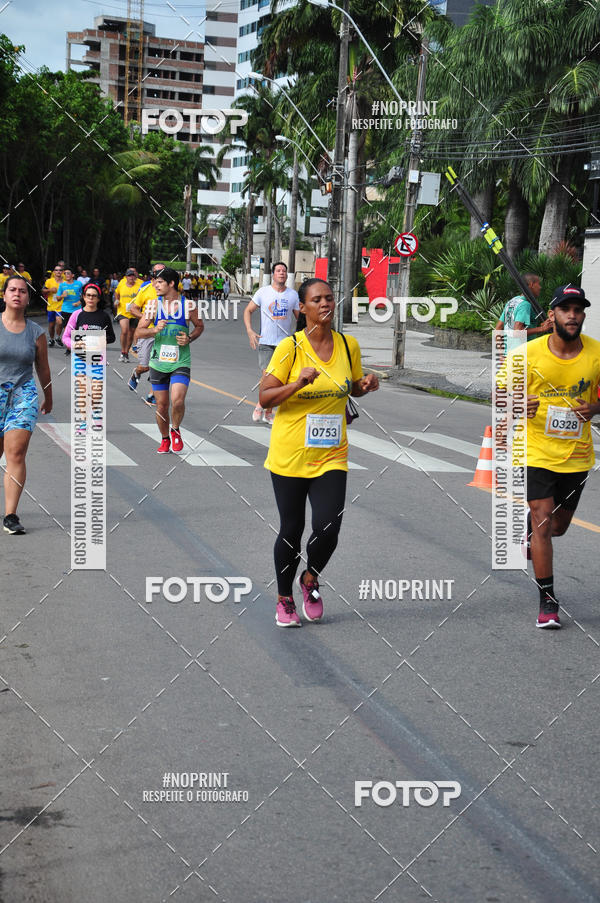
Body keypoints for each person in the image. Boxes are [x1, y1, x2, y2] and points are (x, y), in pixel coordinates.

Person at [260, 277, 379, 627]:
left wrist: (367, 384)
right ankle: (284, 599)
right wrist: (297, 383)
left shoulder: (347, 344)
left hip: (331, 453)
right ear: (303, 308)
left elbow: (352, 385)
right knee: (292, 529)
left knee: (328, 527)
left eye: (329, 298)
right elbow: (264, 398)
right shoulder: (290, 348)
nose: (326, 304)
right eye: (317, 300)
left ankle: (310, 578)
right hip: (291, 454)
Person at [506, 285, 600, 629]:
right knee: (543, 519)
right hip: (537, 451)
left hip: (576, 455)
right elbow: (501, 395)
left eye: (578, 310)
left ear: (583, 316)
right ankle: (548, 600)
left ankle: (531, 538)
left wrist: (595, 407)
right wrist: (519, 403)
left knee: (557, 527)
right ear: (553, 315)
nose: (572, 315)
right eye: (566, 309)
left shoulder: (596, 354)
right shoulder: (526, 354)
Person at [0, 275, 52, 534]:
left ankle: (10, 515)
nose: (17, 294)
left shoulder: (36, 331)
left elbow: (42, 366)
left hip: (22, 395)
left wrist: (48, 396)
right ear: (4, 295)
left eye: (22, 291)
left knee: (16, 453)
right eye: (12, 290)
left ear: (28, 298)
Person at [136, 267, 204, 453]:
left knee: (178, 400)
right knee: (162, 405)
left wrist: (189, 338)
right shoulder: (152, 306)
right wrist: (153, 330)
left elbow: (199, 326)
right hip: (158, 362)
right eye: (155, 282)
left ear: (171, 283)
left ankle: (175, 430)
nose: (155, 285)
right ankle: (165, 439)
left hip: (181, 361)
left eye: (159, 282)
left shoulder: (187, 305)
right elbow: (139, 332)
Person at [244, 261, 300, 425]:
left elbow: (300, 317)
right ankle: (261, 405)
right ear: (273, 274)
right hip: (266, 342)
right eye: (278, 270)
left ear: (286, 275)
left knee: (279, 379)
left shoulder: (293, 295)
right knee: (267, 377)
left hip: (285, 344)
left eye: (284, 271)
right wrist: (250, 330)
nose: (281, 273)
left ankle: (267, 411)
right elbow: (248, 310)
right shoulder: (263, 292)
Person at [127, 263, 165, 405]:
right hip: (147, 332)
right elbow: (133, 308)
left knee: (160, 365)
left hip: (164, 334)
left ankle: (152, 394)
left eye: (162, 273)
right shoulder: (146, 289)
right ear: (152, 275)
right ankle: (137, 373)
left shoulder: (171, 290)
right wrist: (147, 317)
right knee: (146, 366)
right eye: (157, 274)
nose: (159, 276)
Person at [495, 273, 552, 354]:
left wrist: (500, 355)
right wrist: (541, 329)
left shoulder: (513, 301)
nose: (540, 287)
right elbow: (517, 332)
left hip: (508, 354)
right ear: (532, 284)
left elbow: (498, 328)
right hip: (520, 355)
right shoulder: (525, 305)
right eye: (538, 284)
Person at [114, 268, 142, 362]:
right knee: (125, 330)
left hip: (135, 312)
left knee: (131, 334)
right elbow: (116, 292)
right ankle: (122, 351)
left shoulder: (140, 284)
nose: (131, 277)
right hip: (123, 311)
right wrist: (116, 300)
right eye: (129, 276)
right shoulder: (122, 283)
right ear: (126, 277)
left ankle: (126, 353)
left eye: (133, 275)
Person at [56, 268, 84, 354]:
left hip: (77, 310)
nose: (66, 275)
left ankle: (76, 347)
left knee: (76, 330)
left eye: (68, 273)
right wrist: (62, 296)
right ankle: (69, 348)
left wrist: (78, 302)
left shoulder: (79, 284)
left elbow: (84, 296)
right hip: (65, 310)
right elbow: (57, 298)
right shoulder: (62, 285)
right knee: (67, 330)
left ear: (72, 275)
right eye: (65, 273)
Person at [42, 264, 64, 347]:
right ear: (54, 272)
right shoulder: (49, 281)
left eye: (60, 270)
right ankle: (51, 339)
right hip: (51, 306)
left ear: (62, 272)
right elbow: (43, 290)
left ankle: (58, 337)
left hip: (61, 306)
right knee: (51, 325)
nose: (58, 271)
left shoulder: (65, 282)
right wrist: (50, 290)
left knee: (60, 322)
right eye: (57, 270)